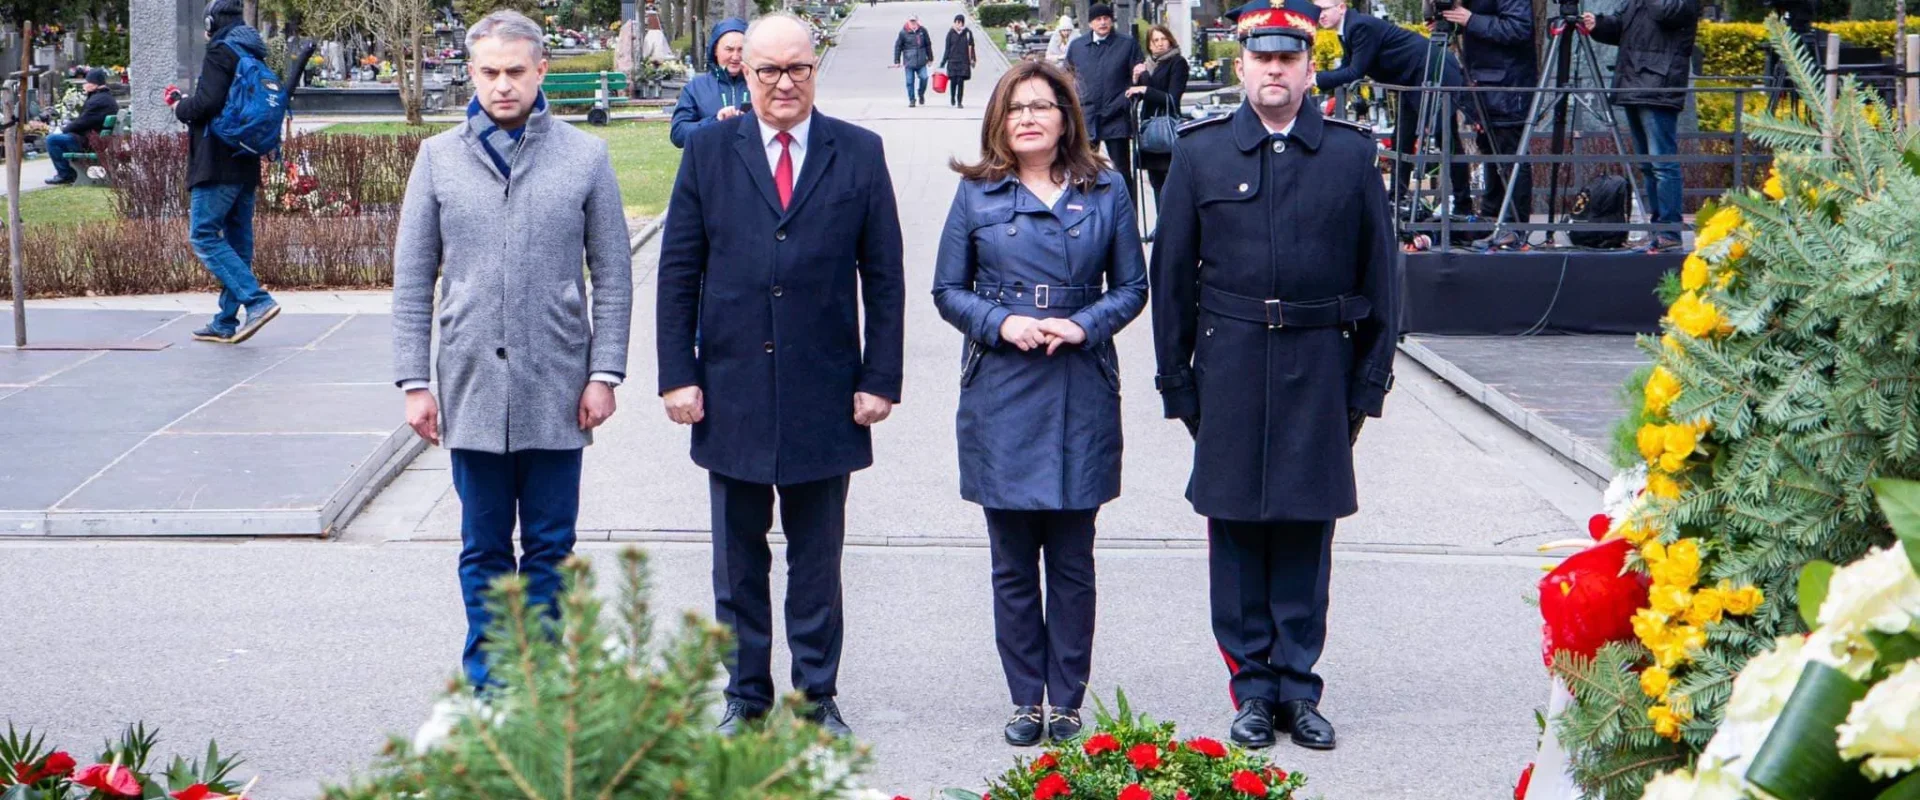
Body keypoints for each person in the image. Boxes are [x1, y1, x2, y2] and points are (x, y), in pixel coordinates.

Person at [1151, 0, 1398, 753]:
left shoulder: (1351, 156)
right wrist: (1178, 383)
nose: (1275, 70)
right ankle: (1251, 689)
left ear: (1310, 68)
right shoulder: (1201, 154)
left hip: (1320, 365)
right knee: (1234, 533)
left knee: (1305, 531)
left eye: (1289, 59)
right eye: (1262, 58)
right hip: (1228, 364)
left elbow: (1383, 280)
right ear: (1240, 67)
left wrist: (1368, 385)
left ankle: (1298, 686)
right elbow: (1172, 280)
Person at [657, 13, 905, 740]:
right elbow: (678, 275)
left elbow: (884, 278)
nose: (784, 82)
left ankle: (816, 694)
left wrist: (880, 378)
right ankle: (746, 695)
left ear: (814, 70)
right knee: (737, 560)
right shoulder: (706, 152)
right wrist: (678, 375)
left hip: (826, 389)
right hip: (729, 388)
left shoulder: (858, 152)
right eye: (768, 70)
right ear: (744, 73)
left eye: (797, 68)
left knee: (817, 557)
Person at [391, 9, 634, 692]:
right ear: (470, 72)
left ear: (540, 72)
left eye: (516, 72)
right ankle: (492, 685)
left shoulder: (585, 156)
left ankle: (542, 682)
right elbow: (413, 277)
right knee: (484, 547)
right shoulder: (437, 158)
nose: (503, 86)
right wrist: (415, 379)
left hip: (559, 384)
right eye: (490, 72)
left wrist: (605, 371)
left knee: (551, 546)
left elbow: (612, 272)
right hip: (468, 384)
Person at [933, 60, 1147, 748]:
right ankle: (1027, 699)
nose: (1028, 117)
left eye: (1042, 107)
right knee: (1012, 559)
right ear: (1000, 120)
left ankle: (1068, 700)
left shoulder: (1106, 189)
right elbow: (947, 290)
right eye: (1016, 107)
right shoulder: (977, 194)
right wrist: (1001, 323)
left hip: (1080, 379)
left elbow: (1133, 287)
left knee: (1074, 559)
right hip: (1003, 385)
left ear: (1066, 119)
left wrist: (1087, 324)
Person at [167, 0, 279, 344]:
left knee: (203, 235)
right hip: (245, 159)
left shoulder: (220, 51)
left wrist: (177, 105)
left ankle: (257, 301)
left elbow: (205, 106)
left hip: (216, 161)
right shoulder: (252, 52)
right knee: (237, 241)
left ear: (213, 21)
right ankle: (226, 321)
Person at [1309, 0, 1473, 218]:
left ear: (1341, 7)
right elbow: (1349, 67)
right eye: (1317, 10)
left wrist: (1314, 78)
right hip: (1410, 81)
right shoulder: (1347, 29)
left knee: (1446, 139)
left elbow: (1355, 72)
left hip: (1434, 73)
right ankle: (1397, 198)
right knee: (1401, 139)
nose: (1320, 16)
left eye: (1324, 9)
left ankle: (1463, 205)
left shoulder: (1359, 26)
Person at [1584, 0, 1699, 252]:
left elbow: (1666, 12)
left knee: (1662, 164)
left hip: (1660, 83)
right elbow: (1623, 27)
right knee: (1647, 165)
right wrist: (1598, 24)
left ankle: (1669, 230)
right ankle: (1657, 229)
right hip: (1633, 82)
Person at [1439, 0, 1538, 249]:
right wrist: (1453, 22)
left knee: (1511, 157)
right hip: (1483, 84)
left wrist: (1470, 20)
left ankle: (1515, 228)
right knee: (1489, 153)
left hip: (1507, 87)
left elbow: (1519, 28)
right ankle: (1492, 219)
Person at [1066, 4, 1145, 201]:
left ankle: (1128, 215)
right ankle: (1085, 210)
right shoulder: (1077, 46)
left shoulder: (1127, 44)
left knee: (1121, 170)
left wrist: (1138, 78)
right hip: (1087, 114)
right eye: (1098, 19)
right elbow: (1067, 76)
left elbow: (1139, 76)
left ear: (1112, 20)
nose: (1102, 22)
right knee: (1083, 169)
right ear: (1090, 23)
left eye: (1106, 18)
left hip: (1116, 114)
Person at [1126, 25, 1189, 204]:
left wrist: (1145, 88)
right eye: (1155, 41)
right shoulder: (1149, 65)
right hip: (1149, 127)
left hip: (1165, 127)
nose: (1160, 44)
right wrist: (1138, 78)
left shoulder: (1177, 62)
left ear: (1170, 40)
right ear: (1150, 46)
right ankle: (1161, 226)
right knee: (1155, 181)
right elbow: (1143, 93)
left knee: (1170, 182)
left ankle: (1171, 226)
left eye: (1163, 39)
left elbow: (1172, 98)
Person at [669, 17, 749, 149]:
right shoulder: (695, 88)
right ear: (715, 50)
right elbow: (678, 135)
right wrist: (716, 121)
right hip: (710, 165)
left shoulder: (762, 83)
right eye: (729, 49)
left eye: (741, 50)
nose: (735, 57)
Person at [44, 68, 118, 187]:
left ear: (94, 85)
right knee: (58, 138)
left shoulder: (97, 101)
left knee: (52, 140)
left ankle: (65, 174)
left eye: (87, 82)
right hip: (96, 138)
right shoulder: (104, 98)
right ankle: (69, 172)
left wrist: (63, 130)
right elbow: (85, 121)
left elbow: (82, 123)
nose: (84, 85)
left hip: (90, 142)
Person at [894, 15, 935, 107]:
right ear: (908, 22)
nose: (913, 23)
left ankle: (921, 93)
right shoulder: (903, 33)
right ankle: (912, 99)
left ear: (917, 21)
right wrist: (897, 60)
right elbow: (898, 47)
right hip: (909, 62)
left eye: (914, 21)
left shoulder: (923, 31)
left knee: (924, 77)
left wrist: (930, 58)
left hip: (921, 61)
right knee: (909, 82)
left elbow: (928, 44)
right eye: (911, 21)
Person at [941, 14, 978, 108]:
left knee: (960, 81)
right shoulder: (950, 33)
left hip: (963, 61)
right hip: (952, 61)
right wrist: (943, 62)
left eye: (960, 22)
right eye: (956, 22)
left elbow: (972, 47)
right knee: (953, 81)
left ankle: (959, 101)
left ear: (962, 23)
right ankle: (952, 97)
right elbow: (947, 49)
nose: (958, 24)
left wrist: (973, 59)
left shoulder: (968, 33)